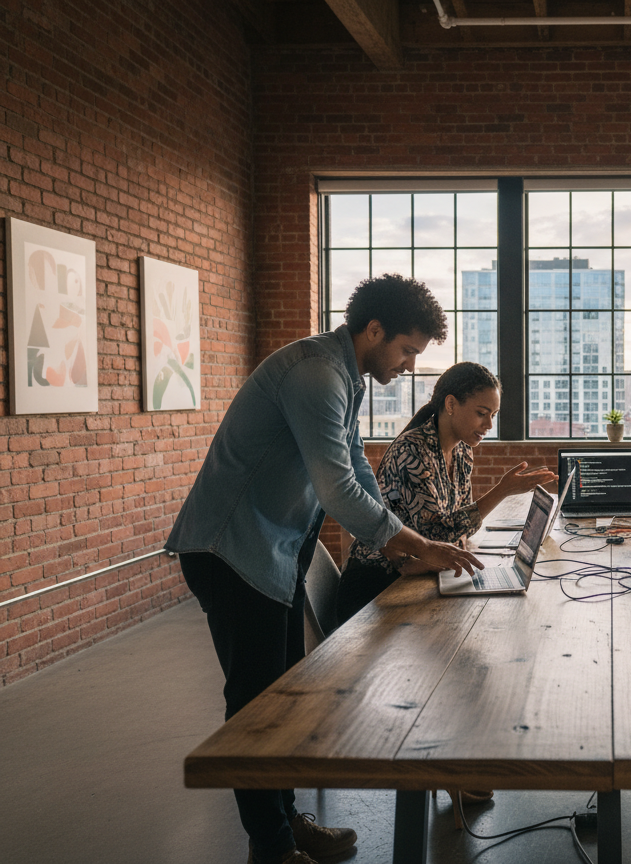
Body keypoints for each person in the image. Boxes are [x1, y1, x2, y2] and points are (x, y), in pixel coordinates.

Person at [165, 274, 484, 864]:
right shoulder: (315, 375)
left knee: (283, 697)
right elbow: (337, 490)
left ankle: (286, 822)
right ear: (374, 330)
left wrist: (410, 543)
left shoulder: (342, 375)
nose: (411, 365)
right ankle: (274, 847)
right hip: (230, 550)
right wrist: (411, 542)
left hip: (271, 549)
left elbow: (358, 468)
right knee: (257, 705)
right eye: (408, 350)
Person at [337, 361, 557, 623]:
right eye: (482, 412)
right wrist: (502, 491)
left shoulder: (463, 451)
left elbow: (459, 527)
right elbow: (435, 537)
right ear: (451, 405)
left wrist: (459, 537)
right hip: (374, 587)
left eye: (493, 415)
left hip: (415, 575)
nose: (489, 424)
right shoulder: (412, 451)